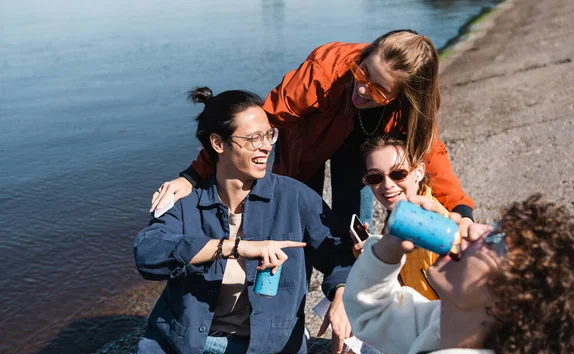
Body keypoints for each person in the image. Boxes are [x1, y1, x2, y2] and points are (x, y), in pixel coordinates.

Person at [76, 87, 354, 354]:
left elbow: (339, 254)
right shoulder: (185, 202)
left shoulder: (295, 198)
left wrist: (341, 295)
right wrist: (234, 247)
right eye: (252, 139)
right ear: (218, 143)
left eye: (269, 135)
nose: (265, 147)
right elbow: (147, 254)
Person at [150, 29, 474, 235]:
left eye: (378, 89)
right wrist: (192, 177)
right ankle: (287, 323)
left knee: (353, 231)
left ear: (403, 95)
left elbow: (431, 152)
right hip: (305, 150)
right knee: (293, 226)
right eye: (363, 72)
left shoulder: (411, 107)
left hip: (361, 153)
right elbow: (259, 126)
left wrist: (462, 211)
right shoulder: (327, 69)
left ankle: (352, 317)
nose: (362, 89)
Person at [343, 194, 574, 354]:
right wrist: (388, 248)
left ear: (509, 304)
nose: (473, 229)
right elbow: (375, 312)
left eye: (496, 242)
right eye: (496, 227)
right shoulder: (460, 330)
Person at [318, 135, 445, 354]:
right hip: (414, 336)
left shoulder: (435, 227)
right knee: (347, 301)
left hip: (437, 347)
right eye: (375, 178)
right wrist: (372, 258)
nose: (387, 186)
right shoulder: (398, 220)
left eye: (398, 173)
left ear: (419, 171)